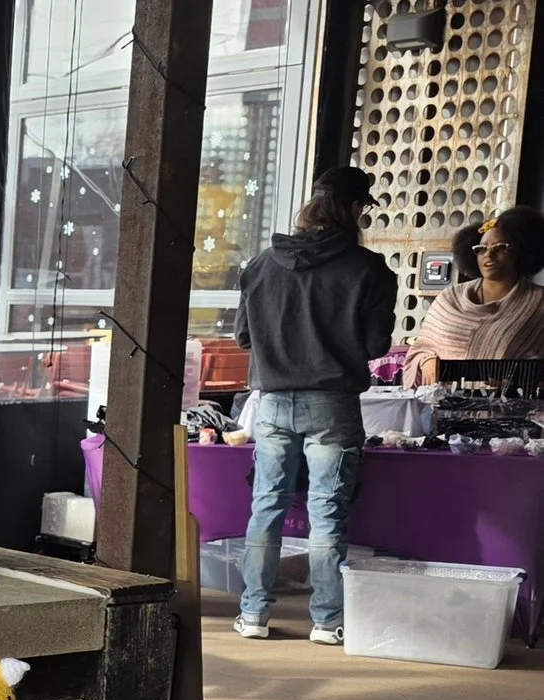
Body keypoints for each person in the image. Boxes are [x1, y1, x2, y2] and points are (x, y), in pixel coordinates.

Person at [232, 165, 397, 642]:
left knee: (266, 507)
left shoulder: (261, 265)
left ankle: (254, 615)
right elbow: (375, 346)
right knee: (326, 513)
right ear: (354, 209)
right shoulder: (370, 270)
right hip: (331, 405)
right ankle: (327, 621)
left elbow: (244, 337)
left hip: (272, 402)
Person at [404, 206, 544, 384]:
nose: (489, 255)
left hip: (510, 409)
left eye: (500, 247)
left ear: (520, 251)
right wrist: (426, 360)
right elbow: (420, 349)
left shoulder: (538, 304)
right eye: (481, 249)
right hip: (442, 407)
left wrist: (519, 376)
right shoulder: (450, 298)